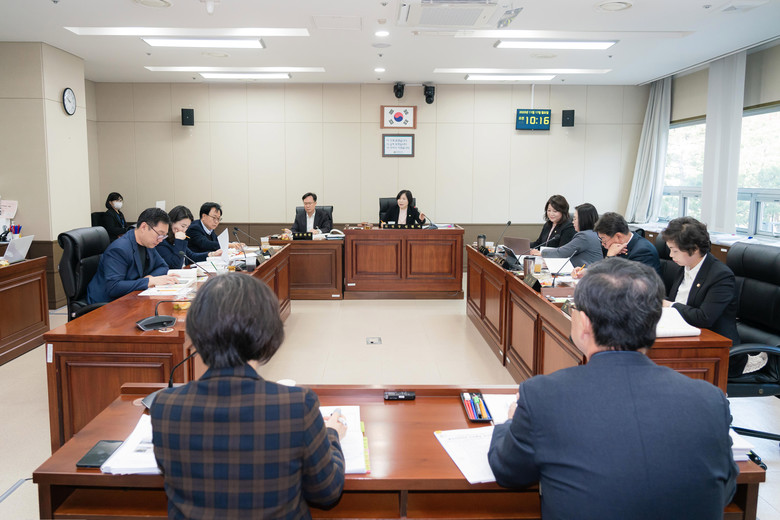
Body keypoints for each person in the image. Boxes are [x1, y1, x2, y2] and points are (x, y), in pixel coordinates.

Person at [488, 258, 737, 520]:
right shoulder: (710, 400)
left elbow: (508, 471)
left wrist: (510, 422)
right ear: (653, 322)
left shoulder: (542, 396)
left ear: (584, 322)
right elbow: (724, 489)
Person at [151, 274, 346, 519]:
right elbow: (327, 491)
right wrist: (332, 434)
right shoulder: (297, 405)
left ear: (196, 331)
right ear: (269, 331)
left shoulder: (165, 405)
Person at [662, 216, 745, 377]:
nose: (671, 255)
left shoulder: (720, 276)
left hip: (715, 350)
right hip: (686, 337)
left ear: (694, 249)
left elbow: (703, 318)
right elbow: (679, 302)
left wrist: (669, 305)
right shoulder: (684, 267)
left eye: (675, 250)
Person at [87, 208, 179, 303]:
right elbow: (113, 287)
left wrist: (151, 277)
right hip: (107, 304)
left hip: (130, 297)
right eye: (159, 234)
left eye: (164, 236)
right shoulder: (119, 249)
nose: (160, 240)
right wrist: (149, 281)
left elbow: (163, 266)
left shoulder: (148, 243)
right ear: (144, 227)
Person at [593, 211, 662, 276]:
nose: (602, 244)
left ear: (618, 236)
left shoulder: (643, 252)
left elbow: (624, 281)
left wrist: (610, 257)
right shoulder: (612, 247)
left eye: (604, 240)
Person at [157, 205, 222, 269]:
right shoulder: (162, 241)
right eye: (183, 226)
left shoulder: (176, 238)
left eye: (187, 227)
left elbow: (192, 256)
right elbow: (175, 266)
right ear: (171, 223)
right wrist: (179, 241)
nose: (185, 230)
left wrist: (212, 254)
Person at [540, 202, 603, 267]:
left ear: (583, 220)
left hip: (589, 272)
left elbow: (562, 253)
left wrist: (542, 252)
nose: (573, 222)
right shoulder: (592, 233)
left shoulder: (584, 236)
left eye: (575, 219)